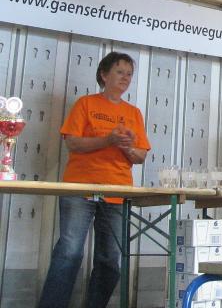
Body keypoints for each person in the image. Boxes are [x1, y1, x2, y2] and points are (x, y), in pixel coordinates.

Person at [38, 52, 150, 308]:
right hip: (80, 188)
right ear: (104, 75)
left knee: (110, 258)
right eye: (120, 72)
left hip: (117, 191)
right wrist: (107, 140)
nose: (125, 78)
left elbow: (140, 156)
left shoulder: (133, 113)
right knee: (69, 252)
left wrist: (126, 147)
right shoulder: (85, 104)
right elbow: (73, 143)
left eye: (129, 74)